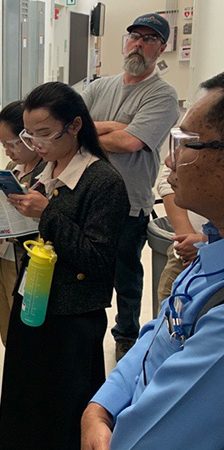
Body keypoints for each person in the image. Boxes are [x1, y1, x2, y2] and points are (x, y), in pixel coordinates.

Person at [81, 72, 224, 450]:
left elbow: (145, 439)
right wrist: (102, 405)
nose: (169, 161)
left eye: (184, 144)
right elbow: (161, 333)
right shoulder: (211, 249)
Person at [0, 82, 129, 449]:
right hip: (33, 302)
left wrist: (46, 213)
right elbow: (39, 239)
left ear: (74, 126)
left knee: (61, 413)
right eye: (29, 134)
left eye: (44, 134)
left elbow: (98, 259)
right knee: (24, 403)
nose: (35, 144)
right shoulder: (45, 170)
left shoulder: (103, 181)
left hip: (72, 316)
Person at [81, 12, 180, 361]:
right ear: (126, 41)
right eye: (134, 36)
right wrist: (117, 127)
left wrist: (96, 131)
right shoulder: (98, 86)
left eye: (149, 39)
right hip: (88, 196)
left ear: (162, 48)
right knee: (85, 269)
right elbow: (72, 127)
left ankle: (126, 335)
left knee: (126, 275)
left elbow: (130, 143)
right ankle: (84, 330)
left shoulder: (163, 96)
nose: (139, 44)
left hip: (129, 201)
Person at [0, 100, 47, 347]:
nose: (7, 151)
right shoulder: (13, 167)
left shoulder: (47, 172)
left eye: (11, 144)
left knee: (25, 330)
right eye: (2, 145)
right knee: (7, 326)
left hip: (28, 259)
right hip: (4, 254)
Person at [155, 163, 207, 302]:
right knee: (168, 308)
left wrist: (207, 242)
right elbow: (167, 183)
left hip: (212, 250)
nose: (168, 161)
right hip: (185, 254)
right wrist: (187, 240)